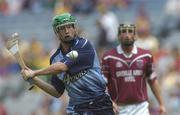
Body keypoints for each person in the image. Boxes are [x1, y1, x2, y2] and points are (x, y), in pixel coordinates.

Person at [21, 13, 114, 115]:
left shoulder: (84, 45)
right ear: (56, 32)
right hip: (77, 109)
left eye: (69, 27)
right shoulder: (55, 59)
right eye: (62, 28)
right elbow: (57, 92)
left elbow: (62, 67)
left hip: (99, 103)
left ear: (75, 29)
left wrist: (34, 72)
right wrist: (34, 79)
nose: (66, 31)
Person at [101, 23, 166, 115]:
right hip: (118, 109)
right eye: (123, 32)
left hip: (141, 108)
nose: (127, 35)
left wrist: (161, 104)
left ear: (135, 36)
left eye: (130, 32)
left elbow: (153, 80)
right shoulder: (108, 57)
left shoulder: (146, 55)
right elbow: (102, 84)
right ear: (118, 36)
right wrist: (109, 102)